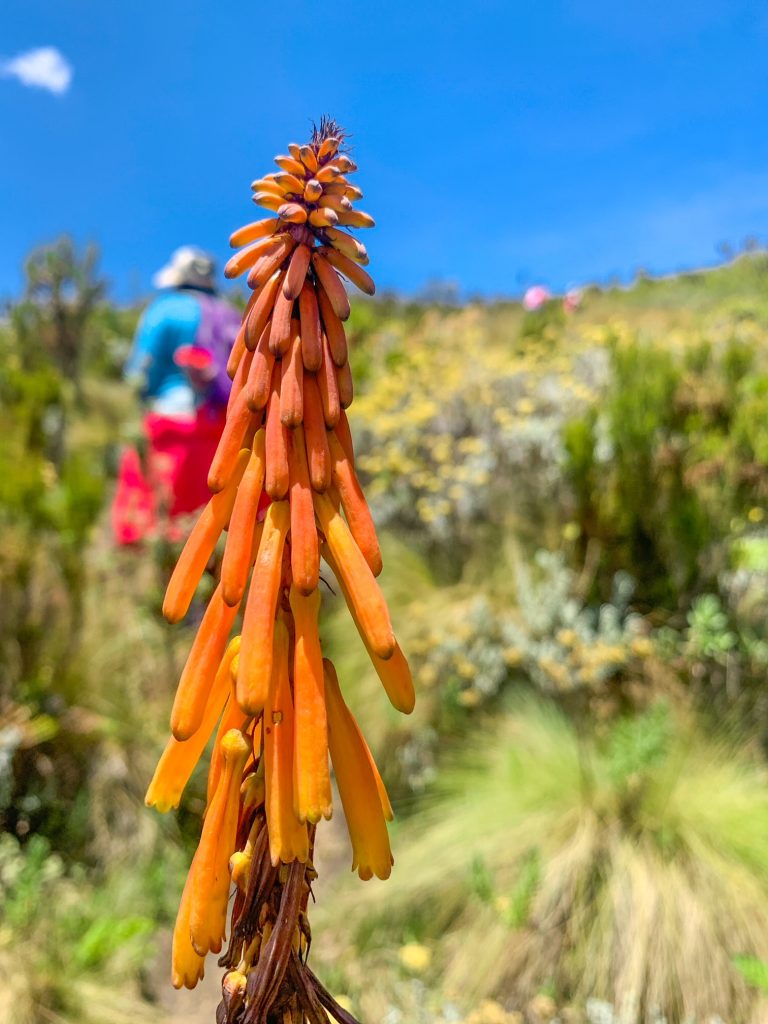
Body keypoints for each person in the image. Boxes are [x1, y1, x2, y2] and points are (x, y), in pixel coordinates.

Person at [112, 247, 241, 544]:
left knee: (164, 530)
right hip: (224, 432)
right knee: (216, 533)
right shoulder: (231, 315)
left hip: (172, 428)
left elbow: (139, 373)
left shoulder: (165, 309)